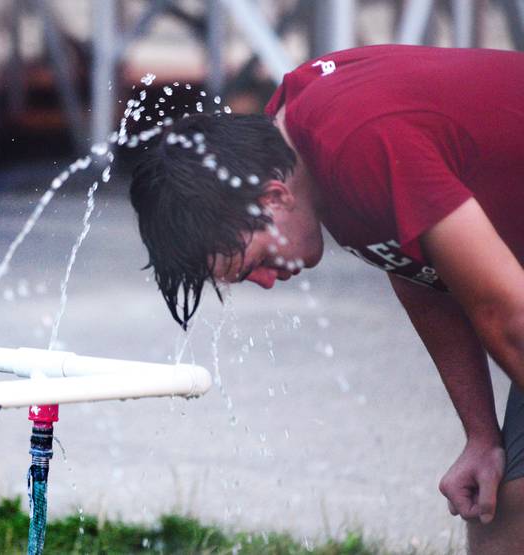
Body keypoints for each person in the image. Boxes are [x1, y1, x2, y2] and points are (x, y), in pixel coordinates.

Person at [130, 44, 524, 554]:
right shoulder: (300, 147)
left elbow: (507, 316)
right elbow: (416, 269)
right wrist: (481, 435)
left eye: (253, 266)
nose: (268, 283)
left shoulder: (357, 139)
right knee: (499, 510)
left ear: (273, 197)